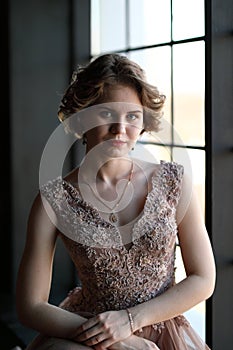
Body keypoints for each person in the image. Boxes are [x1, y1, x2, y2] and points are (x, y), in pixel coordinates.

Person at [16, 53, 216, 350]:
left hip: (162, 330)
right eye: (107, 114)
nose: (120, 129)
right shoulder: (53, 201)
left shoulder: (174, 181)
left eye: (132, 116)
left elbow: (203, 279)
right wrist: (116, 341)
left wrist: (130, 321)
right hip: (89, 332)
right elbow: (31, 306)